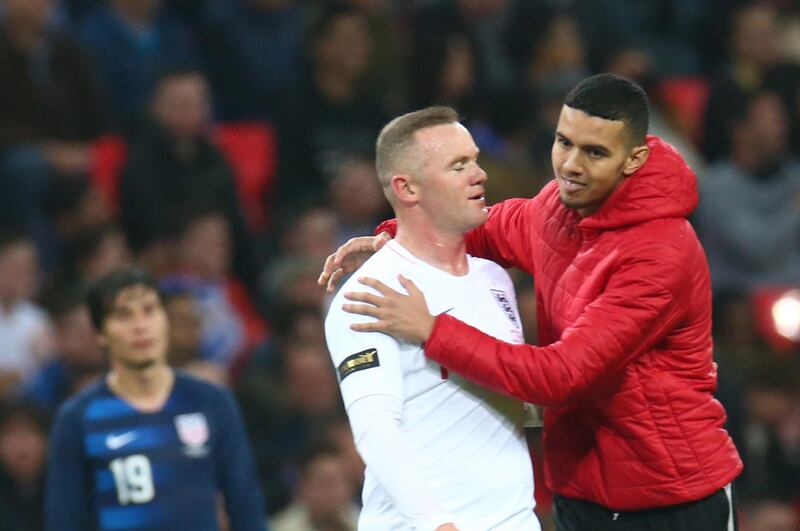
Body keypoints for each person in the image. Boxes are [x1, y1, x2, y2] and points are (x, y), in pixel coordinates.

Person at [319, 74, 743, 531]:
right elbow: (478, 225)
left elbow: (560, 377)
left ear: (633, 158)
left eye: (595, 152)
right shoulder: (557, 210)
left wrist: (432, 329)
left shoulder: (661, 253)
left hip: (670, 498)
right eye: (564, 142)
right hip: (582, 492)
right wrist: (394, 237)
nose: (571, 165)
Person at [324, 107, 540, 531]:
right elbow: (375, 429)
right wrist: (437, 524)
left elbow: (513, 399)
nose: (479, 175)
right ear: (407, 188)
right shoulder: (371, 292)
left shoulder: (495, 277)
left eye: (475, 160)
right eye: (459, 165)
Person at [45, 267, 267, 531]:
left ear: (165, 320)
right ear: (100, 334)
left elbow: (246, 507)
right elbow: (65, 521)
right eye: (123, 315)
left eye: (149, 310)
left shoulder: (211, 402)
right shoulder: (78, 419)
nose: (140, 326)